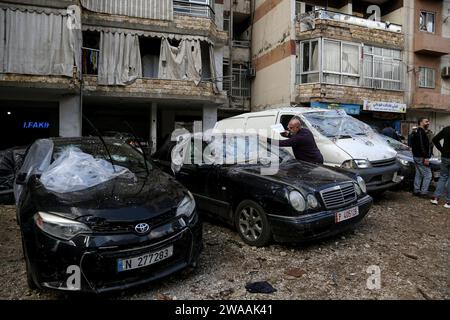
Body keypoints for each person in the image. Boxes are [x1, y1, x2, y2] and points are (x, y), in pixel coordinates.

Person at [410, 118, 432, 197]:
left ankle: (416, 190)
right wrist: (426, 157)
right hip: (421, 157)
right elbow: (422, 145)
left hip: (417, 156)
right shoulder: (420, 132)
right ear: (421, 122)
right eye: (426, 122)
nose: (428, 123)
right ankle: (423, 192)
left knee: (418, 174)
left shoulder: (417, 131)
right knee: (428, 175)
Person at [430, 126, 450, 208]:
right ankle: (448, 202)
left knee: (443, 177)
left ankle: (436, 198)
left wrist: (442, 150)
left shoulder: (446, 129)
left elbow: (435, 139)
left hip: (445, 157)